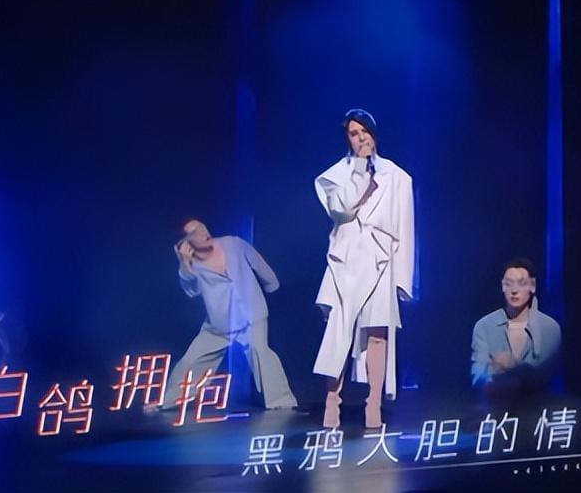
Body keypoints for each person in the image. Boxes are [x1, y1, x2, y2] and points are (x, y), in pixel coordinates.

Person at [312, 109, 414, 429]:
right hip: (346, 261)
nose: (360, 138)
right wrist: (359, 167)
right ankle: (333, 400)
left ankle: (374, 403)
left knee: (378, 332)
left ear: (374, 133)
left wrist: (403, 280)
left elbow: (405, 229)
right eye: (353, 133)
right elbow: (341, 209)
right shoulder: (333, 176)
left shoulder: (397, 176)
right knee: (338, 332)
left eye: (364, 131)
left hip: (380, 260)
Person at [150, 219, 297, 412]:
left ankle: (282, 401)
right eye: (195, 232)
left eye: (202, 227)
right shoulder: (192, 266)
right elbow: (191, 290)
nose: (204, 233)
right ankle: (167, 401)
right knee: (191, 359)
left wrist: (272, 284)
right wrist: (185, 263)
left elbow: (257, 262)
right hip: (219, 325)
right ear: (186, 243)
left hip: (252, 315)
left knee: (260, 351)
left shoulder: (233, 244)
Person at [471, 258, 562, 409]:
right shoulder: (484, 326)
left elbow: (545, 375)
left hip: (539, 412)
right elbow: (477, 375)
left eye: (521, 283)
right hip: (496, 411)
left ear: (532, 286)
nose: (514, 290)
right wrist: (491, 377)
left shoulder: (549, 327)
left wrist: (511, 366)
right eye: (508, 284)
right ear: (502, 287)